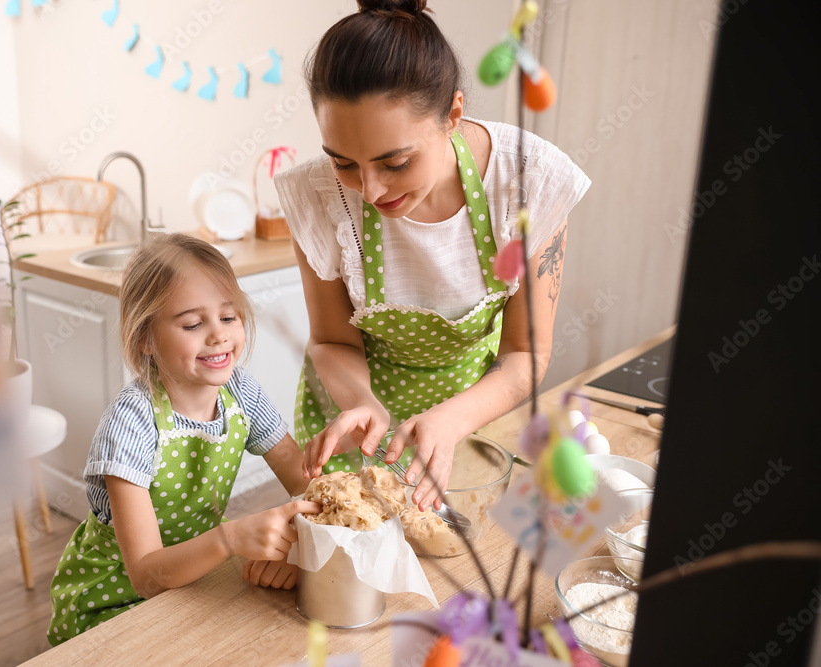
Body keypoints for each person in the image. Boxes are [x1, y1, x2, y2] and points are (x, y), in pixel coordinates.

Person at [275, 0, 591, 512]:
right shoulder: (317, 196)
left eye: (394, 162)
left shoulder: (528, 178)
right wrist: (363, 403)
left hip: (468, 426)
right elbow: (332, 340)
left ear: (453, 114)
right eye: (344, 163)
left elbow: (524, 355)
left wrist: (451, 420)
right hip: (352, 431)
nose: (372, 191)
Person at [47, 234, 319, 646]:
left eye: (229, 317)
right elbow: (145, 575)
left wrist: (300, 551)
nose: (218, 336)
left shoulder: (242, 392)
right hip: (118, 596)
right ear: (145, 338)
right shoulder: (131, 423)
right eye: (193, 324)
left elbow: (305, 484)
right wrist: (230, 538)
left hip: (200, 569)